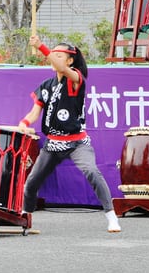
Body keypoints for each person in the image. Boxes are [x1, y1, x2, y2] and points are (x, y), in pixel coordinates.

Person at [17, 35, 121, 233]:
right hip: (53, 144)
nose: (53, 59)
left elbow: (63, 70)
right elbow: (34, 113)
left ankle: (111, 217)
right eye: (52, 55)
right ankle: (25, 220)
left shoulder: (75, 78)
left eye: (58, 55)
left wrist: (41, 46)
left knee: (92, 172)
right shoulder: (46, 86)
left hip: (77, 142)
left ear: (70, 60)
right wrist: (23, 123)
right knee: (31, 182)